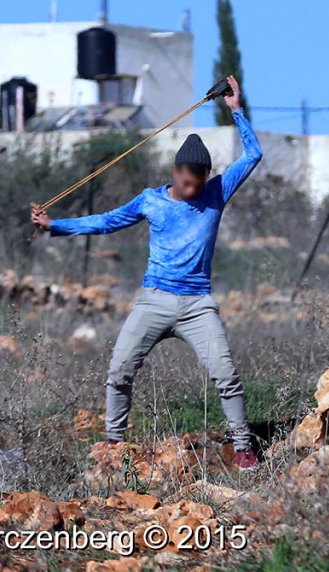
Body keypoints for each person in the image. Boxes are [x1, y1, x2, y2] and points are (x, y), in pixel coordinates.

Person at [31, 76, 261, 469]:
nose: (191, 191)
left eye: (197, 184)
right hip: (153, 299)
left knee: (226, 374)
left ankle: (243, 448)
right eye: (186, 183)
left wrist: (236, 110)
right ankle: (114, 448)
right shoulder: (150, 201)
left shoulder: (217, 192)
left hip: (197, 304)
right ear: (175, 172)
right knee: (118, 371)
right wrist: (55, 226)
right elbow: (105, 222)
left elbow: (252, 155)